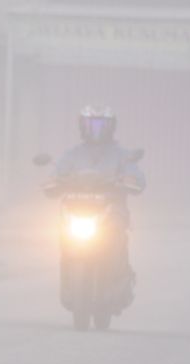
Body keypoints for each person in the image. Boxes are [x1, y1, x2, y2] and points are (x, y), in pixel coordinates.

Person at [52, 105, 146, 307]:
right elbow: (56, 174)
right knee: (64, 240)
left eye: (101, 125)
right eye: (91, 125)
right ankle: (69, 281)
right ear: (82, 126)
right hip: (77, 209)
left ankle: (117, 280)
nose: (96, 130)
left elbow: (137, 177)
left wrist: (130, 181)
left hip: (112, 212)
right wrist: (52, 182)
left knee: (116, 242)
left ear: (111, 127)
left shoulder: (122, 154)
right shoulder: (72, 155)